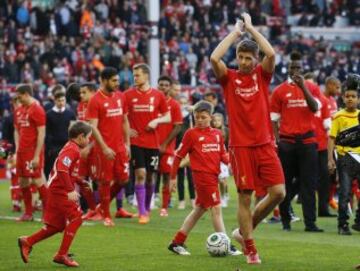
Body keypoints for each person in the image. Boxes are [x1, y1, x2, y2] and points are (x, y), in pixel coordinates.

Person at [210, 13, 285, 264]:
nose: (243, 61)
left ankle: (243, 231)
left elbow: (271, 54)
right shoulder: (228, 78)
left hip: (265, 144)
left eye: (248, 58)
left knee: (278, 193)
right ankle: (250, 248)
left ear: (255, 60)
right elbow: (214, 57)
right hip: (241, 146)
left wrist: (251, 29)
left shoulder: (262, 75)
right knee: (245, 196)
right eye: (240, 57)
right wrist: (235, 33)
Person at [167, 101, 240, 256]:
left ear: (211, 117)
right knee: (216, 209)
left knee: (199, 210)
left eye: (203, 117)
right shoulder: (191, 134)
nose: (199, 120)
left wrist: (233, 164)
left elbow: (222, 154)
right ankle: (226, 244)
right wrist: (172, 178)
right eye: (197, 117)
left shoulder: (217, 134)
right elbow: (178, 156)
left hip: (213, 176)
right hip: (202, 177)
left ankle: (177, 242)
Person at [18, 121, 92, 267]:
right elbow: (62, 169)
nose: (89, 140)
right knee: (76, 218)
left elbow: (66, 170)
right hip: (60, 191)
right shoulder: (73, 149)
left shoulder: (71, 147)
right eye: (89, 137)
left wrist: (80, 181)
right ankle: (61, 255)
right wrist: (70, 190)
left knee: (56, 226)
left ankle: (28, 241)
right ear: (81, 137)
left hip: (56, 189)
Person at [271, 52, 324, 232]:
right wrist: (278, 141)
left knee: (308, 184)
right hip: (287, 143)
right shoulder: (279, 91)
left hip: (308, 141)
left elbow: (315, 107)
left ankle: (310, 223)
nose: (295, 70)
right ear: (288, 68)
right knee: (285, 183)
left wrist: (303, 87)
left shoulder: (312, 88)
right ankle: (285, 221)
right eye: (292, 67)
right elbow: (273, 120)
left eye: (298, 67)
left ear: (303, 69)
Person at [124, 63, 170, 224]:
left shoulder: (157, 95)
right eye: (134, 75)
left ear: (146, 76)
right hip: (136, 142)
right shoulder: (128, 95)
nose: (134, 78)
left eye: (137, 75)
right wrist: (127, 129)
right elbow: (121, 117)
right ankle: (142, 211)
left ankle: (147, 208)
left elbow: (168, 116)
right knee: (140, 174)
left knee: (151, 177)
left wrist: (157, 120)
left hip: (153, 142)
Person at [86, 67, 131, 227]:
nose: (117, 83)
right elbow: (93, 127)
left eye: (117, 80)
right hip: (104, 149)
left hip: (120, 147)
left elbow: (125, 121)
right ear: (104, 80)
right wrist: (104, 147)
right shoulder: (95, 100)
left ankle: (100, 207)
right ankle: (106, 215)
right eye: (114, 80)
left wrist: (128, 144)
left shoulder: (120, 97)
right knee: (105, 182)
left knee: (124, 179)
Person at [328, 80, 360, 235]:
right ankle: (342, 225)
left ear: (358, 99)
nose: (350, 99)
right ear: (343, 98)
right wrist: (330, 159)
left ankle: (358, 221)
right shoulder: (338, 117)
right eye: (347, 96)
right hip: (345, 157)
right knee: (345, 192)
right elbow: (332, 138)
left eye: (353, 96)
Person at [14, 84, 48, 221]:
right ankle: (28, 213)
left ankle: (48, 213)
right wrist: (17, 148)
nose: (18, 99)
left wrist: (36, 156)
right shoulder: (20, 110)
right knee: (22, 181)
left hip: (32, 151)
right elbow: (16, 129)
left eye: (20, 96)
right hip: (22, 152)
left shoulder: (37, 110)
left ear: (27, 94)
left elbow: (41, 134)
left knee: (37, 180)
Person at [156, 75, 183, 217]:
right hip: (151, 146)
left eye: (166, 85)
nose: (163, 87)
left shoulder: (174, 105)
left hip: (167, 148)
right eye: (161, 85)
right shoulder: (153, 102)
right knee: (149, 175)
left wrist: (165, 144)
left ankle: (164, 206)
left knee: (166, 175)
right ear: (157, 85)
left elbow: (178, 127)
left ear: (170, 87)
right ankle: (148, 203)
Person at [45, 91, 76, 178]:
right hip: (53, 148)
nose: (61, 102)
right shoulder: (48, 115)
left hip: (67, 146)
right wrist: (49, 148)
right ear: (55, 101)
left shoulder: (71, 114)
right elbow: (46, 133)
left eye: (63, 100)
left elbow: (73, 131)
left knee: (68, 170)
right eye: (59, 100)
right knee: (53, 171)